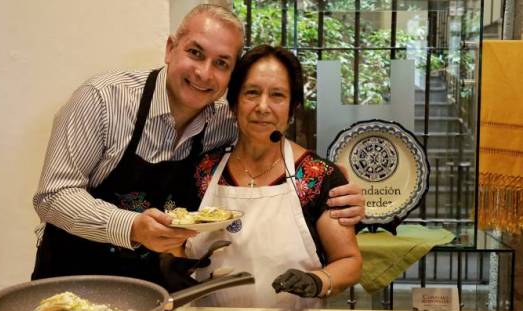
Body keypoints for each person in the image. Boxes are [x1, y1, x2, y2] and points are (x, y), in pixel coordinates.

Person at [31, 5, 364, 291]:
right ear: (170, 48)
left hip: (154, 294)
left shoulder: (223, 120)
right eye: (195, 53)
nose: (204, 73)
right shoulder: (104, 100)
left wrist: (336, 180)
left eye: (221, 63)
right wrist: (131, 227)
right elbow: (53, 196)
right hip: (70, 278)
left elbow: (268, 130)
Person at [186, 45, 362, 308]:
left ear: (292, 108)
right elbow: (177, 243)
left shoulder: (319, 177)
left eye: (277, 95)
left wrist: (319, 280)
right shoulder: (202, 170)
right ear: (234, 103)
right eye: (252, 93)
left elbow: (350, 261)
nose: (263, 106)